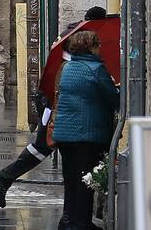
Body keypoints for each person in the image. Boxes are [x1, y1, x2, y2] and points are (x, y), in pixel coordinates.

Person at [0, 5, 110, 210]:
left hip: (56, 100)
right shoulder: (82, 40)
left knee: (45, 146)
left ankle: (6, 178)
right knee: (44, 145)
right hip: (57, 103)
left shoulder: (71, 35)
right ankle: (4, 177)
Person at [51, 29, 118, 230]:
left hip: (64, 135)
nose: (100, 49)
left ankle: (68, 220)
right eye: (98, 45)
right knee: (86, 181)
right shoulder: (96, 69)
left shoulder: (68, 68)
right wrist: (118, 89)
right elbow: (113, 99)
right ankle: (81, 223)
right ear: (91, 47)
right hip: (87, 135)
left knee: (70, 180)